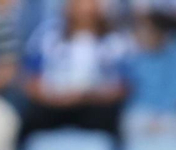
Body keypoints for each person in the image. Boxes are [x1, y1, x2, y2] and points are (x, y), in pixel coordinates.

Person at [19, 0, 131, 138]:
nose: (83, 8)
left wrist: (88, 96)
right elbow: (29, 80)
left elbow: (123, 86)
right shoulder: (47, 35)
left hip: (95, 105)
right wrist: (57, 98)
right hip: (53, 104)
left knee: (109, 117)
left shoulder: (114, 40)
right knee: (31, 118)